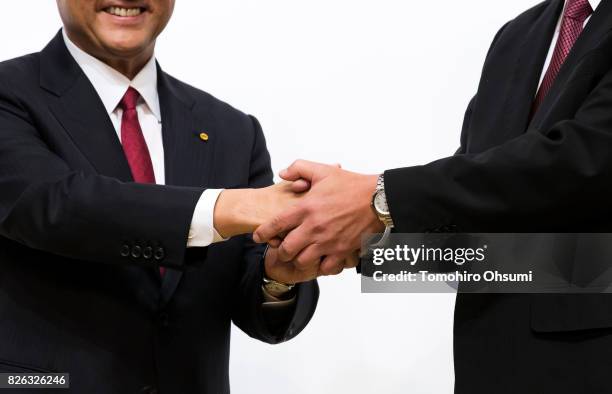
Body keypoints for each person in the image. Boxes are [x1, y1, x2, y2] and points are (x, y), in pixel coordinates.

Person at [255, 0, 612, 392]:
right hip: (492, 364)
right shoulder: (519, 35)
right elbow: (480, 212)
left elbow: (579, 162)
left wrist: (380, 198)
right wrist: (354, 243)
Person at [0, 1, 342, 393]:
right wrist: (229, 207)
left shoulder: (232, 130)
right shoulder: (9, 95)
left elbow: (253, 294)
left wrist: (278, 277)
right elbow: (57, 206)